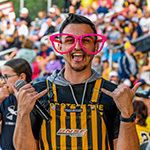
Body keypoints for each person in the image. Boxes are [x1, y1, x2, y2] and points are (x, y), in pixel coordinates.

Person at [13, 13, 140, 150]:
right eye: (69, 40)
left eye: (85, 40)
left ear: (96, 46)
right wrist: (22, 112)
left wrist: (127, 112)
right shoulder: (37, 94)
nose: (78, 47)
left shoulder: (113, 95)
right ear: (59, 46)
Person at [0, 58, 33, 150]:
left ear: (22, 77)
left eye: (6, 76)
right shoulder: (6, 98)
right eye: (2, 77)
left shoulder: (36, 99)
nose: (3, 81)